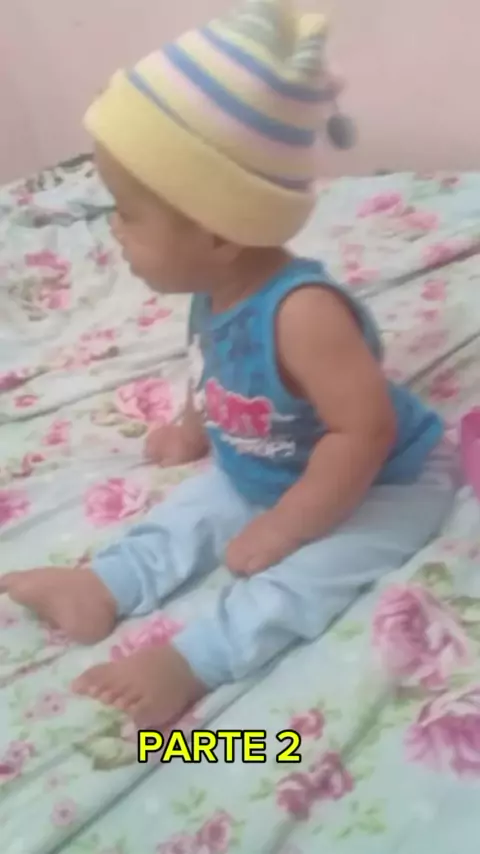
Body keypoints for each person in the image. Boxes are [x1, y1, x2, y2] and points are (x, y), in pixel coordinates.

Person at [1, 0, 457, 728]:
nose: (112, 229)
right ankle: (106, 584)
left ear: (216, 232)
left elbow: (364, 432)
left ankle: (193, 660)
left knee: (313, 570)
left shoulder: (304, 313)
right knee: (192, 513)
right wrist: (193, 426)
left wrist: (289, 526)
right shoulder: (214, 292)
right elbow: (212, 368)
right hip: (274, 463)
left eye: (128, 212)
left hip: (386, 479)